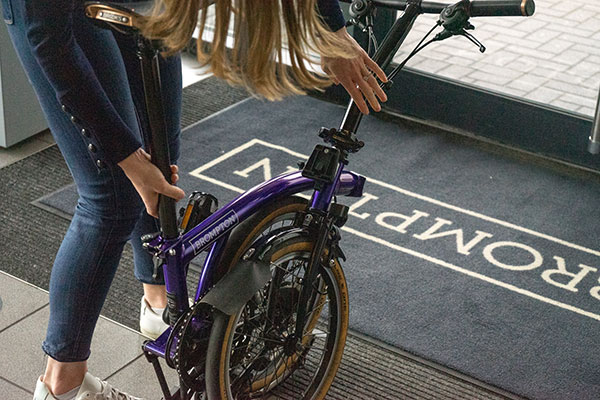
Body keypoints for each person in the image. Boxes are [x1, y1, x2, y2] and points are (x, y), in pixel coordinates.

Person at [1, 0, 387, 398]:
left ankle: (157, 307)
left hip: (142, 7)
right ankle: (62, 386)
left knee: (161, 156)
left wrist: (332, 33)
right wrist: (129, 160)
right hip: (50, 14)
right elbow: (46, 36)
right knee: (113, 198)